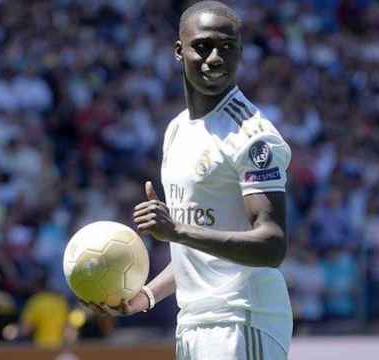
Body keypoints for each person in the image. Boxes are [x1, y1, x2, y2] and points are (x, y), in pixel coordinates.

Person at [85, 1, 293, 359]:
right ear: (179, 51)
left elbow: (272, 245)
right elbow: (196, 252)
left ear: (240, 54)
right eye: (203, 46)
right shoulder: (178, 130)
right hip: (193, 323)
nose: (215, 58)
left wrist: (177, 231)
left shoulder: (253, 136)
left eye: (227, 48)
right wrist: (147, 295)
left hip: (242, 318)